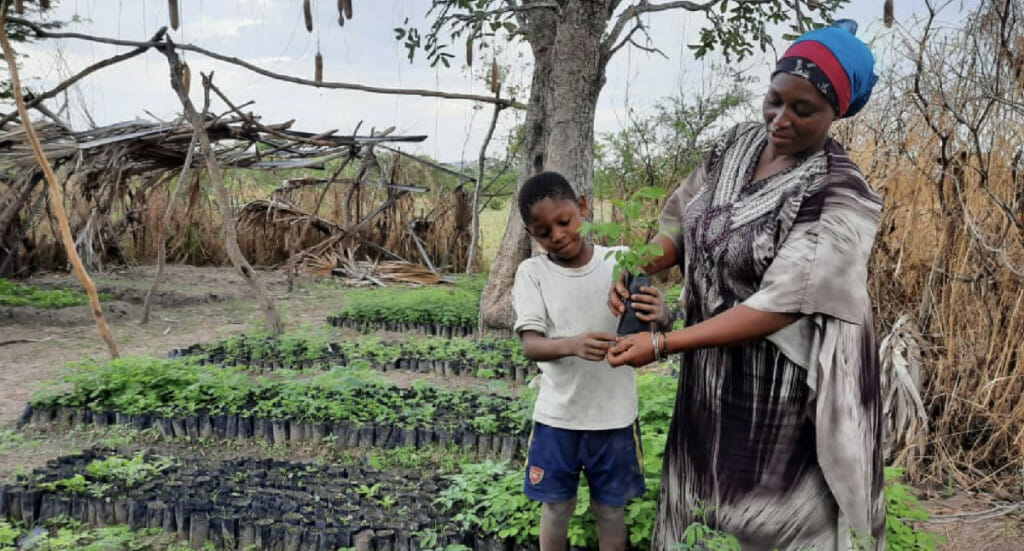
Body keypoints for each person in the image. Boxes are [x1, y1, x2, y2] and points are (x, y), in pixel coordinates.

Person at [607, 22, 885, 551]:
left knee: (767, 524)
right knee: (698, 513)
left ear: (836, 114)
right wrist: (640, 264)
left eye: (804, 110)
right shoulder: (736, 146)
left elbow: (780, 307)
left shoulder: (839, 193)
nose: (781, 120)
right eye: (774, 100)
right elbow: (682, 220)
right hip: (708, 383)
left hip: (779, 398)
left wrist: (663, 343)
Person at [511, 171, 653, 551]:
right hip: (559, 419)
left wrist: (662, 314)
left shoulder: (621, 261)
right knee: (556, 508)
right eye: (543, 232)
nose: (557, 235)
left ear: (584, 208)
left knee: (611, 511)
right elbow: (531, 345)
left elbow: (654, 322)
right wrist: (573, 344)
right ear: (531, 234)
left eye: (564, 221)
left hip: (615, 417)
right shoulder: (533, 273)